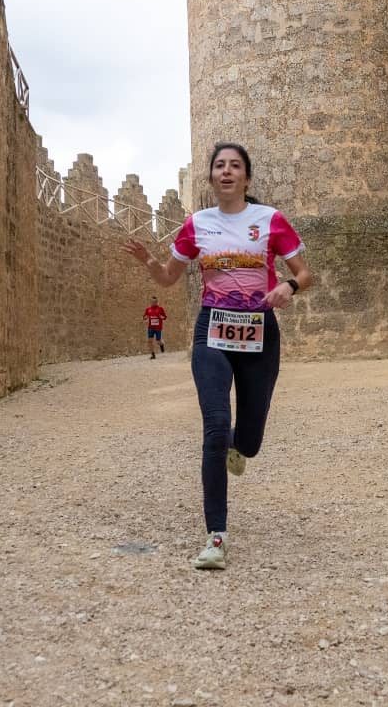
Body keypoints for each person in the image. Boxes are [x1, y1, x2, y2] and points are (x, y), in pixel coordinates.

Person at [122, 142, 313, 570]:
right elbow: (168, 278)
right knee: (214, 425)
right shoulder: (197, 225)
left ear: (246, 177)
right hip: (213, 331)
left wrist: (288, 286)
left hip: (259, 334)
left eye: (235, 166)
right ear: (210, 177)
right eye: (219, 166)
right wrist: (149, 261)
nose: (226, 171)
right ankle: (216, 536)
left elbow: (305, 273)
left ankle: (237, 445)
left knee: (249, 440)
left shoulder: (270, 220)